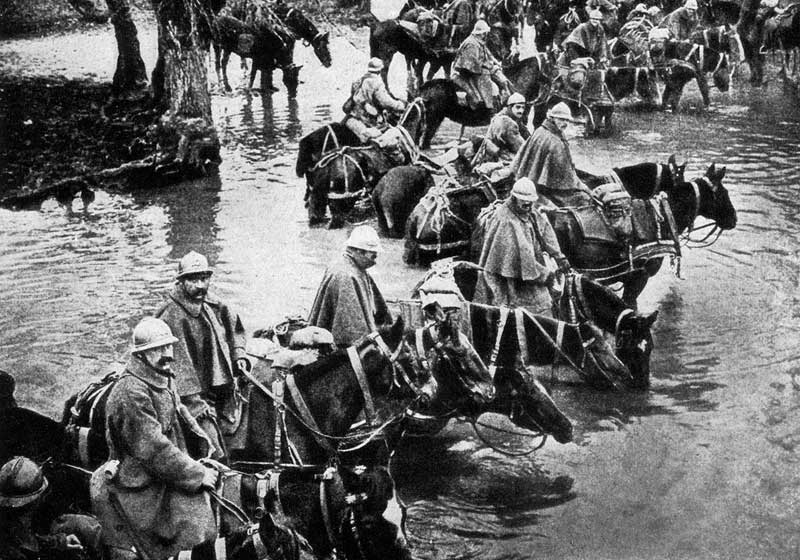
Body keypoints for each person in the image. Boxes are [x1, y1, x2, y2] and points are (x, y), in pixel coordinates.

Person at [91, 317, 218, 560]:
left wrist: (203, 440)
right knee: (193, 521)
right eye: (158, 349)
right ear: (140, 355)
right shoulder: (132, 392)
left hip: (166, 462)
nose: (167, 354)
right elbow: (153, 448)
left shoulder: (160, 373)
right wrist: (197, 474)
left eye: (168, 346)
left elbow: (178, 408)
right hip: (140, 475)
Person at [156, 251, 249, 458]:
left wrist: (239, 356)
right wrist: (196, 403)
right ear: (181, 281)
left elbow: (234, 328)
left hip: (220, 386)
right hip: (189, 396)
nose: (200, 285)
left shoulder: (213, 304)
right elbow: (179, 369)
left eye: (204, 278)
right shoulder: (171, 315)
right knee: (214, 450)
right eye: (193, 279)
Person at [475, 178, 571, 316]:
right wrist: (546, 275)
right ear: (514, 198)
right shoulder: (506, 221)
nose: (527, 203)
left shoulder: (530, 210)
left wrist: (559, 256)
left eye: (530, 200)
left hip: (534, 271)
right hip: (513, 279)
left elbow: (546, 231)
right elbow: (522, 262)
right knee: (539, 310)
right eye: (523, 200)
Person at [308, 225, 393, 347]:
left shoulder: (356, 268)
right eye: (373, 255)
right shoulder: (345, 276)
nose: (375, 260)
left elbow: (378, 307)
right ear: (359, 251)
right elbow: (350, 330)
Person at [0, 456, 89, 560]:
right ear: (37, 500)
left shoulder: (13, 525)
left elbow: (25, 539)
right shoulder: (14, 551)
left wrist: (59, 542)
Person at [510, 102, 594, 207]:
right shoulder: (556, 143)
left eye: (567, 120)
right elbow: (565, 179)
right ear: (552, 118)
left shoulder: (540, 131)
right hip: (548, 189)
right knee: (584, 199)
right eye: (561, 119)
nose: (565, 123)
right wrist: (584, 187)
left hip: (532, 181)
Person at [451, 20, 513, 111]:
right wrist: (490, 67)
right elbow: (472, 66)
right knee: (491, 89)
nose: (485, 35)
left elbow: (488, 55)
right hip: (468, 73)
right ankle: (488, 109)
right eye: (484, 33)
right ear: (480, 33)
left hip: (478, 70)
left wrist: (496, 64)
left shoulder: (479, 41)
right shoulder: (471, 44)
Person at [342, 58, 407, 143]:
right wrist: (400, 105)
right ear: (379, 70)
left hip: (354, 115)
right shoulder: (376, 83)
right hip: (367, 119)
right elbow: (385, 102)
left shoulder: (358, 80)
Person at [474, 92, 530, 167]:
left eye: (523, 107)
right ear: (510, 107)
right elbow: (520, 147)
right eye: (518, 107)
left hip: (490, 153)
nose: (521, 111)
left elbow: (525, 132)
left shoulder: (502, 116)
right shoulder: (507, 122)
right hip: (499, 156)